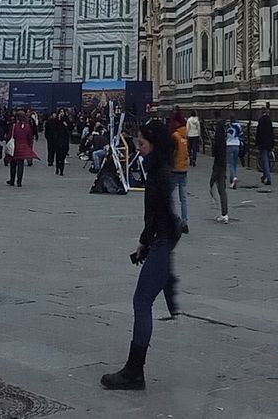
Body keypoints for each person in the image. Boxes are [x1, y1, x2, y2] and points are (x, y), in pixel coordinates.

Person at [100, 118, 181, 391]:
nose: (138, 147)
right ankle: (134, 370)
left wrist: (153, 242)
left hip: (162, 241)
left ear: (154, 144)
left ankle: (135, 371)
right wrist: (145, 242)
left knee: (141, 302)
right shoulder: (157, 168)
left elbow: (162, 215)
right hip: (159, 241)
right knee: (142, 301)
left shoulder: (160, 173)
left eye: (142, 143)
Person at [209, 121, 230, 224]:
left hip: (218, 166)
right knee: (222, 190)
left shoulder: (218, 141)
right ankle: (224, 213)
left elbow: (214, 153)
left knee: (214, 186)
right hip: (222, 165)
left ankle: (222, 212)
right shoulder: (224, 141)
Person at [8, 110, 36, 187]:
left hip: (14, 147)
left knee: (13, 164)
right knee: (21, 164)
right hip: (23, 147)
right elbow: (30, 138)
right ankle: (19, 181)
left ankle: (12, 180)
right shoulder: (27, 127)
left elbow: (9, 136)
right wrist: (29, 147)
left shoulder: (14, 126)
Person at [256, 105, 275, 186]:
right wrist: (272, 144)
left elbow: (259, 133)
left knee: (265, 161)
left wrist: (257, 143)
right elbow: (271, 133)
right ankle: (264, 176)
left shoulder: (261, 121)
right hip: (269, 144)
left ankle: (268, 178)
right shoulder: (269, 121)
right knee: (265, 160)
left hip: (263, 144)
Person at [224, 115, 242, 190]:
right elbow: (241, 135)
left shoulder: (227, 126)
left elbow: (225, 135)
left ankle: (233, 179)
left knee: (230, 163)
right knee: (234, 163)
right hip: (236, 144)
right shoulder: (238, 126)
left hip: (229, 145)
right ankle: (234, 176)